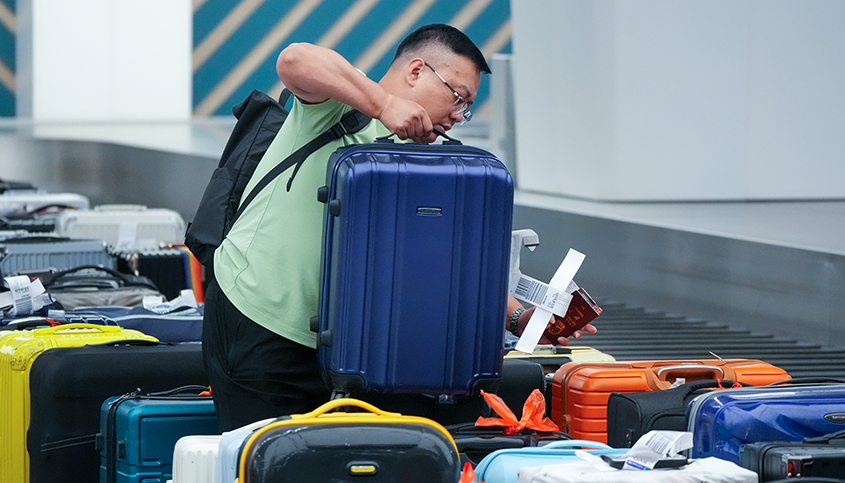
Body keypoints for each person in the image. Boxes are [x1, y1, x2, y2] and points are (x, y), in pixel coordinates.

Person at [202, 24, 594, 432]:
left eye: (466, 107)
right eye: (457, 97)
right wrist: (384, 104)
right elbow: (294, 59)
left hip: (349, 347)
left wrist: (518, 320)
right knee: (260, 457)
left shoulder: (435, 160)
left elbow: (447, 260)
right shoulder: (340, 106)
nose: (458, 115)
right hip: (260, 322)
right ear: (416, 70)